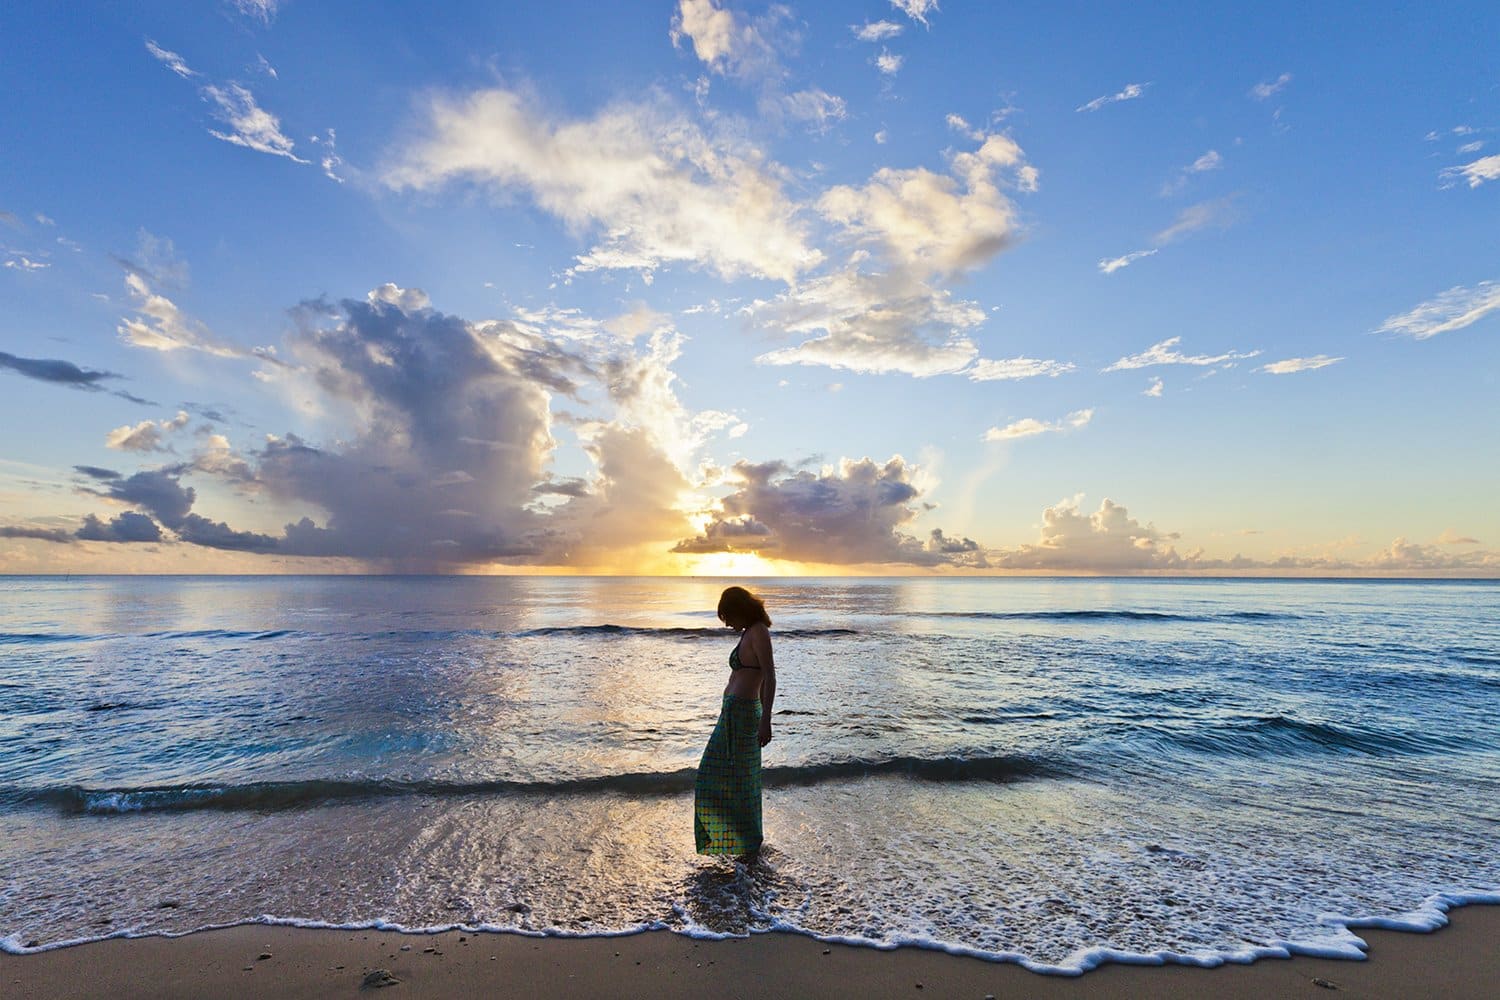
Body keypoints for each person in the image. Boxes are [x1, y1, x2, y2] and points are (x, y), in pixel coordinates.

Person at [694, 585, 776, 857]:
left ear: (740, 610)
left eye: (728, 616)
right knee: (718, 776)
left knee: (739, 781)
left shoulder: (759, 632)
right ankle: (735, 842)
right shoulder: (748, 634)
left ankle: (748, 844)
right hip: (732, 715)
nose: (727, 623)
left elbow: (769, 677)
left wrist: (766, 719)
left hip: (743, 716)